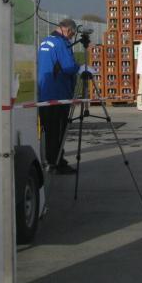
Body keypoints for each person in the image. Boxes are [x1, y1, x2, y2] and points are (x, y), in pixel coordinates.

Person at [37, 17, 81, 174]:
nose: (71, 38)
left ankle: (49, 160)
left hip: (44, 92)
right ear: (68, 30)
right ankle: (57, 162)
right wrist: (80, 67)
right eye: (72, 35)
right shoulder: (61, 43)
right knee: (59, 131)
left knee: (49, 131)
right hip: (59, 93)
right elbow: (69, 67)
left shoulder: (45, 42)